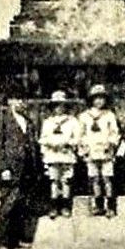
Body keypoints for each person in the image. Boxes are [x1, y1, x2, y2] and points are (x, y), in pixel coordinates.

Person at [0, 96, 41, 249]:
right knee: (7, 204)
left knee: (23, 205)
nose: (21, 102)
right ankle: (1, 242)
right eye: (17, 99)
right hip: (10, 169)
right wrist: (3, 167)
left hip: (27, 169)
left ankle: (17, 239)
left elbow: (32, 144)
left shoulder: (28, 121)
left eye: (22, 100)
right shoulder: (2, 119)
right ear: (9, 101)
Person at [78, 84, 122, 217]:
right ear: (91, 100)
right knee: (95, 178)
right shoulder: (84, 116)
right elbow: (81, 134)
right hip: (91, 150)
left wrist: (111, 144)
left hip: (105, 151)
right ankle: (98, 205)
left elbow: (115, 132)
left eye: (102, 98)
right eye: (96, 98)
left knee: (107, 178)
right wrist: (83, 149)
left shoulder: (109, 116)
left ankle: (111, 206)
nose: (99, 101)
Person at [38, 89, 83, 218]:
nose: (59, 108)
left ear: (66, 106)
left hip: (66, 155)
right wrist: (49, 145)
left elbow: (77, 138)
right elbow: (43, 138)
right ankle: (54, 206)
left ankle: (65, 206)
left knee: (66, 181)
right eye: (56, 105)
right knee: (54, 181)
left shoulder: (72, 121)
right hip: (52, 155)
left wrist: (68, 143)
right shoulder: (48, 122)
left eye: (61, 105)